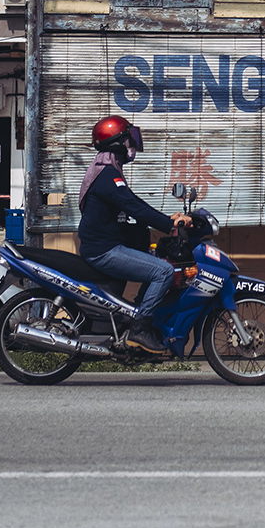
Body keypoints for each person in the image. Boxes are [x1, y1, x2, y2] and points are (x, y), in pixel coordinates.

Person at [78, 115, 191, 355]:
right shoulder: (108, 175)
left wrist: (167, 220)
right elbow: (134, 207)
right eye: (129, 139)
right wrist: (170, 225)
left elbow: (133, 205)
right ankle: (140, 328)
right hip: (104, 251)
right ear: (117, 142)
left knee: (156, 262)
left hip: (105, 245)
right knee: (164, 271)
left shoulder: (106, 172)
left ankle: (136, 317)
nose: (132, 145)